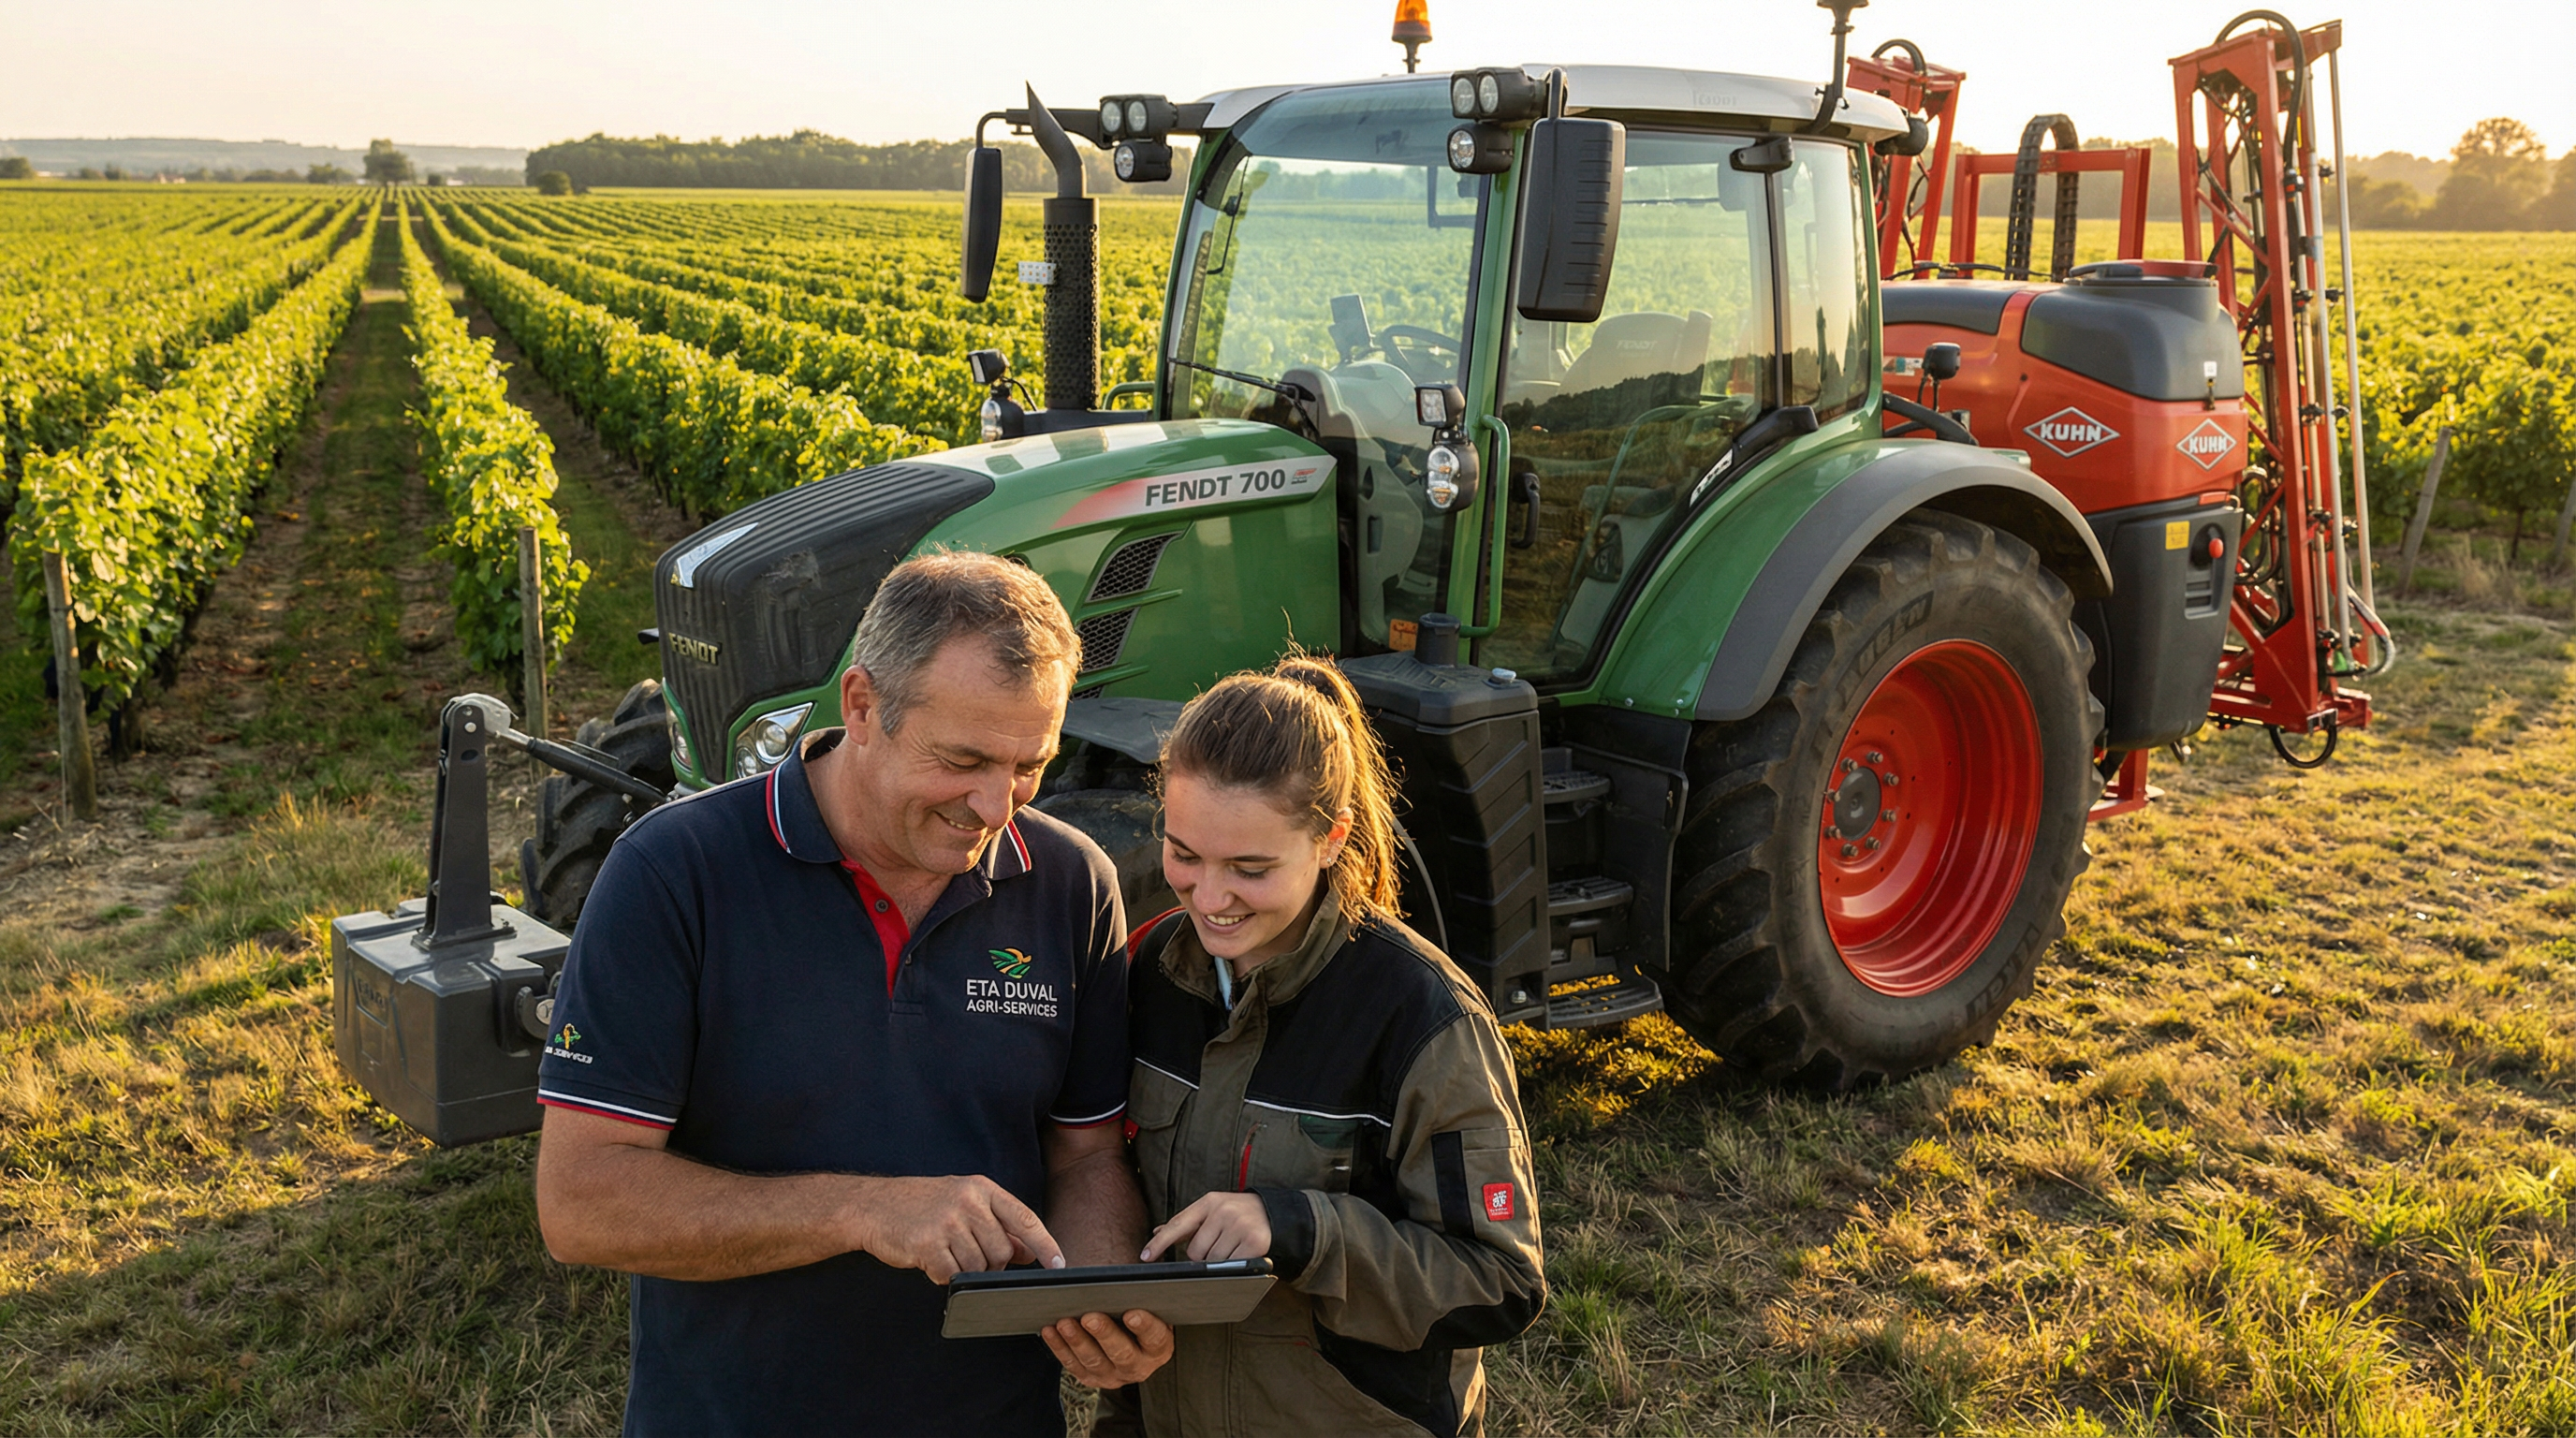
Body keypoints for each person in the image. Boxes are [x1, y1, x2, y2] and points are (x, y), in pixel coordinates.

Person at [533, 551, 1172, 1437]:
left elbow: (1087, 1157)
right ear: (863, 707)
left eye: (1031, 764)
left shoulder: (1071, 883)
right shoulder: (675, 874)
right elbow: (580, 1203)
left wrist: (1099, 1293)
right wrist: (865, 1209)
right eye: (964, 760)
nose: (997, 806)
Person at [1081, 655, 1547, 1437]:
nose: (1211, 897)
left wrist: (1303, 1228)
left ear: (1330, 840)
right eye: (1185, 854)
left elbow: (1499, 1282)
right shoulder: (1143, 976)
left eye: (1251, 869)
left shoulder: (1423, 1016)